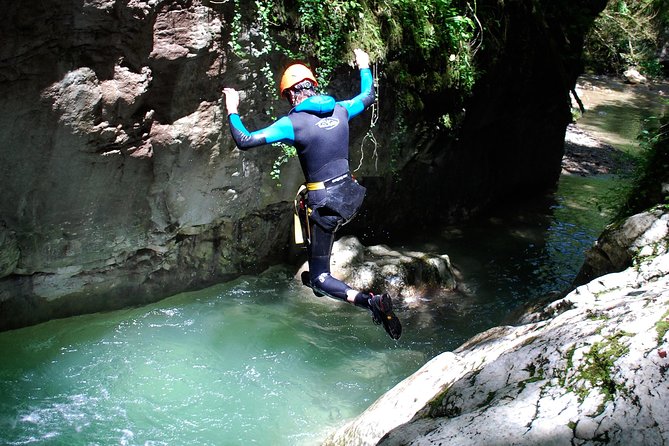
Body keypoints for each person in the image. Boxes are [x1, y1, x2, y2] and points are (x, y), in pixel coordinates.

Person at [223, 49, 401, 340]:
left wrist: (232, 108)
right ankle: (314, 275)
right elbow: (368, 95)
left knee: (320, 278)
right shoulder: (341, 109)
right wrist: (364, 65)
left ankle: (370, 302)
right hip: (350, 196)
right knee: (313, 227)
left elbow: (245, 140)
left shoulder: (292, 124)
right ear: (312, 85)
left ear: (292, 94)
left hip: (327, 205)